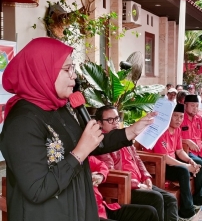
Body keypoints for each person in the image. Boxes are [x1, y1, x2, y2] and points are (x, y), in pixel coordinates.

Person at [0, 37, 157, 221]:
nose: (74, 76)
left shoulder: (62, 106)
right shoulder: (22, 122)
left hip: (78, 208)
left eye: (72, 68)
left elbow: (94, 142)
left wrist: (131, 131)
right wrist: (79, 153)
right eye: (67, 69)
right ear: (43, 71)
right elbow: (37, 189)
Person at [94, 106, 178, 221]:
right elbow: (110, 172)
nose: (115, 123)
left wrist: (146, 176)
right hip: (125, 187)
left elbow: (137, 159)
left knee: (170, 199)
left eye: (116, 119)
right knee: (157, 198)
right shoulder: (101, 144)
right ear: (100, 123)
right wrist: (137, 185)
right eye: (110, 120)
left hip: (139, 182)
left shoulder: (124, 137)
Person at [152, 104, 202, 220]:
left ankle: (198, 200)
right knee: (183, 171)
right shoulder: (161, 131)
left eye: (181, 117)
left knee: (198, 164)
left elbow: (179, 151)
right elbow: (164, 158)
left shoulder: (177, 130)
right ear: (169, 116)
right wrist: (186, 166)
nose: (178, 120)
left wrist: (190, 161)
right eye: (175, 116)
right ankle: (187, 212)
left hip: (173, 162)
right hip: (160, 166)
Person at [88, 156, 158, 221]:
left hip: (102, 208)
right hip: (89, 214)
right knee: (155, 198)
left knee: (150, 212)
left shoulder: (85, 159)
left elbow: (102, 165)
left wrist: (101, 175)